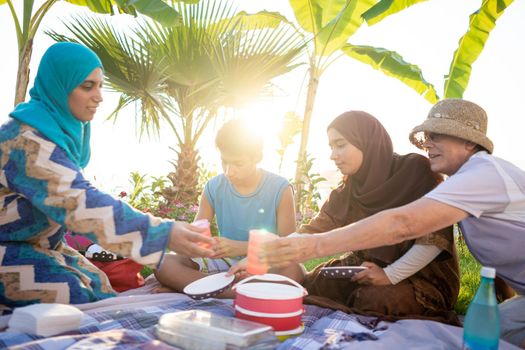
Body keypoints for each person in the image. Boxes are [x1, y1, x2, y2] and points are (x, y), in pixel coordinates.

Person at [259, 99, 525, 348]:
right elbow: (499, 250)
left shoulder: (482, 173)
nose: (428, 144)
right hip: (372, 267)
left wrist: (316, 247)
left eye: (437, 135)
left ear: (469, 142)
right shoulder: (463, 182)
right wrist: (267, 255)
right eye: (427, 137)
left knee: (465, 335)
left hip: (421, 279)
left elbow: (404, 224)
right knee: (472, 334)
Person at [0, 42, 214, 314]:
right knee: (77, 300)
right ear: (59, 86)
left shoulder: (54, 134)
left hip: (40, 247)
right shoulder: (23, 141)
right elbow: (79, 203)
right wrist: (164, 233)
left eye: (100, 86)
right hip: (8, 250)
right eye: (87, 86)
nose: (99, 96)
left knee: (103, 293)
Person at [289, 111, 459, 323]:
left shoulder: (415, 171)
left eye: (340, 145)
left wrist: (389, 275)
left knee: (371, 300)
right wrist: (268, 253)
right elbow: (315, 230)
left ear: (365, 142)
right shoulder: (350, 187)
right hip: (365, 269)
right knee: (317, 283)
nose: (333, 155)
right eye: (331, 147)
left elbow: (434, 241)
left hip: (420, 278)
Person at [154, 118, 299, 294]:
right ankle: (235, 293)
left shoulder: (280, 189)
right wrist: (205, 243)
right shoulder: (214, 187)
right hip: (225, 264)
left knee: (294, 270)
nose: (229, 171)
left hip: (266, 263)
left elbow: (288, 244)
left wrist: (242, 247)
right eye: (225, 161)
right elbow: (196, 235)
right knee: (163, 262)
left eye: (238, 163)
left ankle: (202, 288)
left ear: (257, 158)